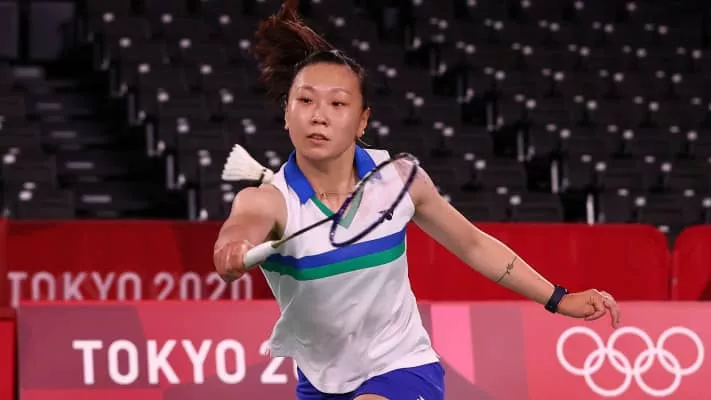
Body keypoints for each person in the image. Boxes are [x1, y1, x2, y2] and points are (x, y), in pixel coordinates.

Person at [213, 1, 622, 399]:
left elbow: (473, 244)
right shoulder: (270, 201)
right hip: (320, 384)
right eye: (305, 101)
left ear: (362, 121)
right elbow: (239, 229)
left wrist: (558, 298)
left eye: (337, 104)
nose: (318, 115)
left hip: (402, 367)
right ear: (286, 112)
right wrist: (231, 249)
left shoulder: (399, 181)